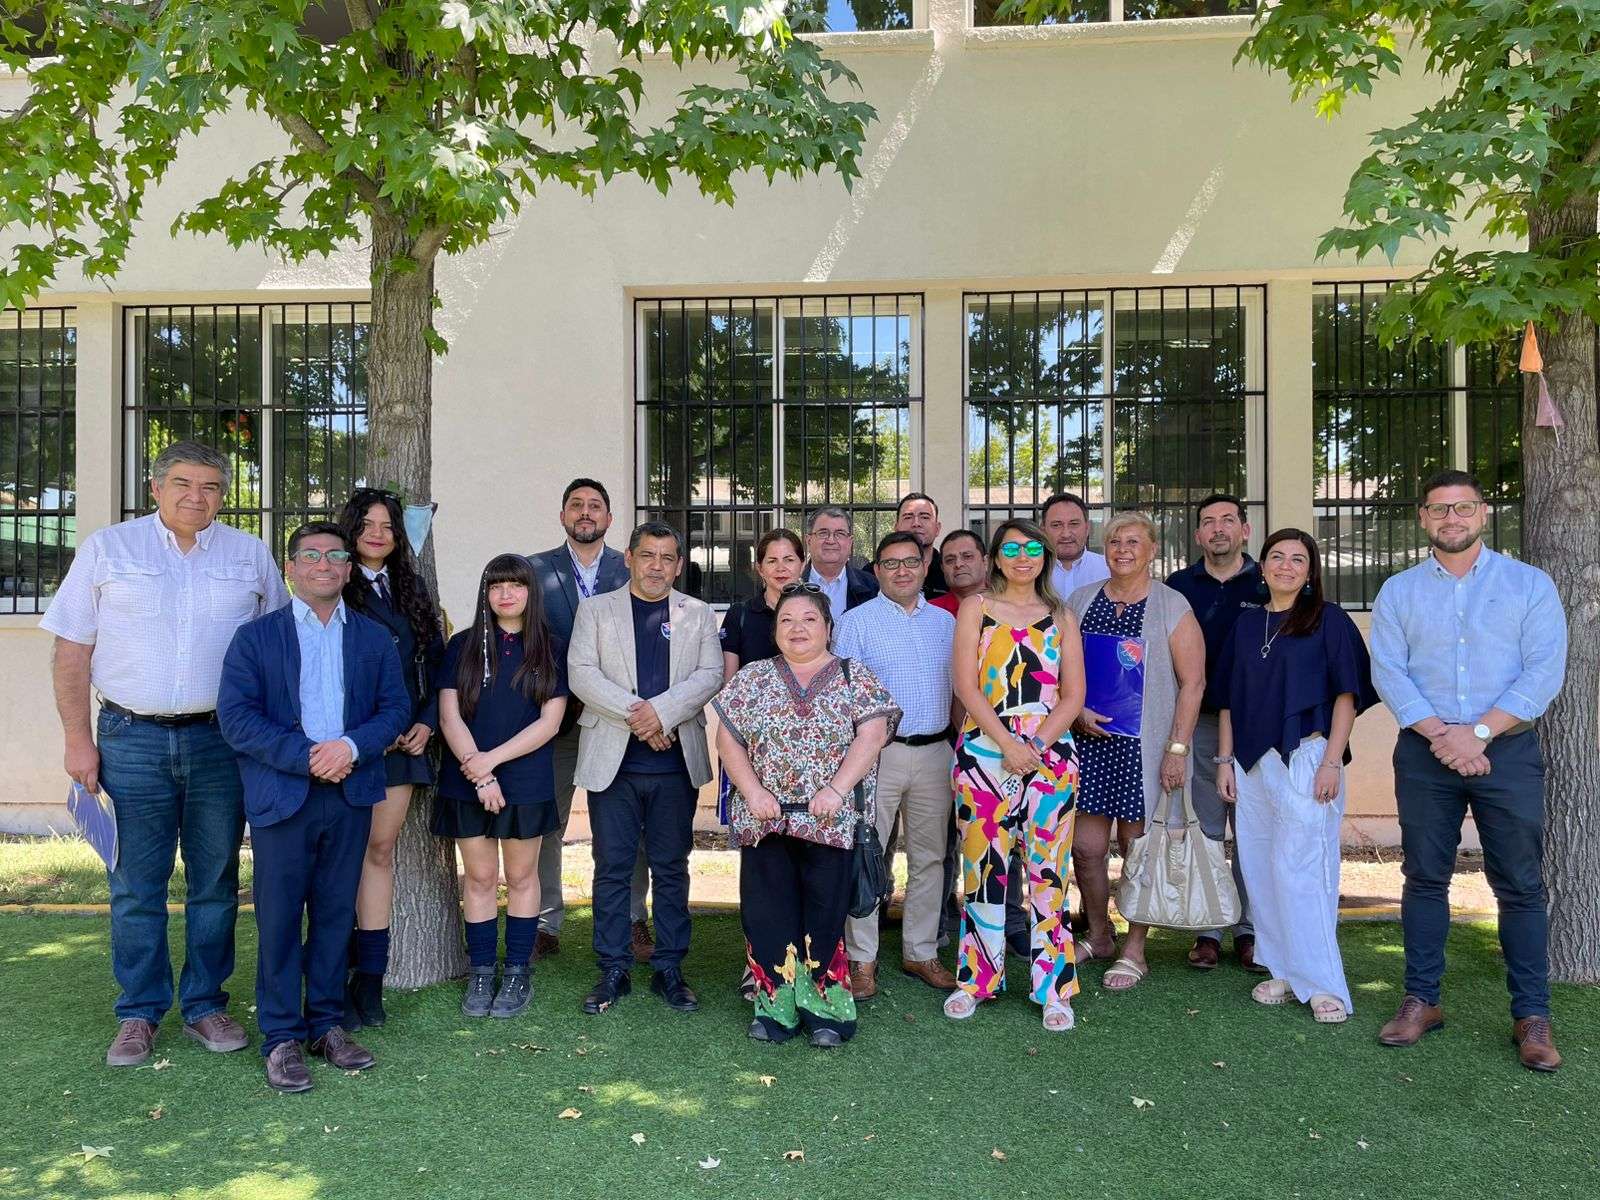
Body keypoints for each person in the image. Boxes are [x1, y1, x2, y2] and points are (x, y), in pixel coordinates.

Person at [42, 441, 288, 1068]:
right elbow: (71, 649)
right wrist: (77, 739)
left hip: (221, 741)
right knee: (134, 886)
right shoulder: (108, 549)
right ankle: (139, 1013)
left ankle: (205, 1005)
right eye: (182, 483)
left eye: (209, 487)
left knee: (216, 882)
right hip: (129, 739)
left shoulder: (249, 555)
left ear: (224, 495)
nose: (195, 497)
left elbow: (277, 646)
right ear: (155, 488)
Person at [1369, 470, 1568, 1071]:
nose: (1450, 519)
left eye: (1462, 508)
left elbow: (1542, 672)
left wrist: (1475, 733)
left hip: (1505, 750)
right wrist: (1441, 735)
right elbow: (1390, 671)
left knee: (1519, 885)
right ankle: (1421, 1000)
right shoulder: (1400, 591)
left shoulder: (1528, 584)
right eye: (1438, 510)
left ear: (1482, 513)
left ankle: (1531, 1016)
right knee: (1425, 877)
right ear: (1423, 519)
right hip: (1425, 752)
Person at [217, 522, 410, 1093]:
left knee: (333, 915)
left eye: (335, 555)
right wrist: (308, 757)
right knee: (278, 918)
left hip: (350, 793)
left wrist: (349, 747)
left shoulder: (374, 639)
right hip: (284, 794)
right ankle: (281, 1036)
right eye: (311, 555)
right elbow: (238, 718)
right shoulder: (256, 638)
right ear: (292, 568)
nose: (324, 564)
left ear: (349, 568)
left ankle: (326, 1024)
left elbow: (395, 708)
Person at [713, 586, 899, 1046]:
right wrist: (752, 792)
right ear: (775, 630)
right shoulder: (753, 678)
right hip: (766, 821)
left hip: (830, 824)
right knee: (768, 915)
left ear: (829, 628)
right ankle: (774, 1009)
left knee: (824, 916)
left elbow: (872, 736)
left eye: (809, 619)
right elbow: (727, 740)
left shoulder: (855, 677)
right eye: (787, 620)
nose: (798, 628)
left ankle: (827, 1013)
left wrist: (836, 790)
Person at [1215, 529, 1377, 1025]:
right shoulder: (1245, 626)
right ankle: (1281, 968)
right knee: (1261, 868)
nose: (1286, 566)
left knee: (1303, 869)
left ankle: (1324, 984)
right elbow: (1226, 698)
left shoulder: (1328, 621)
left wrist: (1332, 759)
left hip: (1308, 758)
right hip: (1250, 762)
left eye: (1298, 560)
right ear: (1261, 567)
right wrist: (1224, 761)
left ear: (1310, 573)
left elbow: (1347, 695)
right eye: (1277, 557)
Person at [567, 520, 724, 1015]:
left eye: (667, 557)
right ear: (630, 558)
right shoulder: (595, 610)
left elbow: (710, 674)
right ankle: (613, 968)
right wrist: (642, 715)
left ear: (679, 565)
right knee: (611, 868)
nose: (657, 566)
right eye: (648, 555)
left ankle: (670, 967)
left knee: (672, 868)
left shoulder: (697, 614)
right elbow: (581, 673)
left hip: (674, 764)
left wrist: (664, 712)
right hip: (613, 763)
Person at [947, 519, 1086, 1031]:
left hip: (1051, 755)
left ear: (1044, 556)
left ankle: (1054, 988)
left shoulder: (1062, 616)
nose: (1023, 557)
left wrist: (1034, 746)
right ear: (996, 557)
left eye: (1033, 548)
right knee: (983, 870)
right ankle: (977, 981)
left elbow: (1073, 696)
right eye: (1012, 548)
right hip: (985, 752)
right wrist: (1007, 744)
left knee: (1049, 873)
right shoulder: (975, 609)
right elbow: (965, 684)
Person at [1068, 511, 1204, 992]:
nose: (1121, 550)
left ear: (1151, 550)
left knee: (1137, 849)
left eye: (1132, 542)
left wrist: (1177, 748)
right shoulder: (1081, 600)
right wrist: (1076, 708)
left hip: (1143, 749)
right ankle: (1100, 936)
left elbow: (1193, 683)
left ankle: (1135, 948)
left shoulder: (1172, 604)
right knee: (1085, 849)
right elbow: (1063, 670)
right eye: (1113, 542)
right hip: (1088, 743)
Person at [436, 554, 568, 1019]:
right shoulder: (462, 645)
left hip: (524, 778)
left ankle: (516, 972)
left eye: (515, 585)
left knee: (522, 877)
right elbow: (449, 715)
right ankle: (482, 972)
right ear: (485, 593)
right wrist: (479, 771)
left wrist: (491, 763)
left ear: (531, 592)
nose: (505, 594)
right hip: (466, 777)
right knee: (479, 878)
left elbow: (550, 723)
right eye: (496, 586)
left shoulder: (550, 647)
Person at [336, 487, 447, 1028]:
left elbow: (435, 664)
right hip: (345, 745)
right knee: (339, 859)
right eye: (368, 524)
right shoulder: (333, 582)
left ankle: (370, 982)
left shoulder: (410, 588)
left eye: (388, 526)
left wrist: (426, 720)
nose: (378, 534)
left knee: (378, 852)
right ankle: (333, 975)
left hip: (403, 744)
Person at [529, 479, 652, 964]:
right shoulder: (536, 570)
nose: (586, 513)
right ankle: (544, 920)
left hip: (616, 717)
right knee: (548, 822)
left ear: (609, 518)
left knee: (625, 825)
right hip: (555, 720)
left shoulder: (633, 569)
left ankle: (632, 919)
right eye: (576, 505)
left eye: (595, 506)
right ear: (563, 516)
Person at [835, 532, 958, 999]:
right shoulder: (856, 623)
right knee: (866, 855)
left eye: (911, 561)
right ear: (877, 571)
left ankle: (920, 950)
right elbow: (843, 695)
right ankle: (862, 959)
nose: (902, 571)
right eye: (891, 564)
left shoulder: (946, 624)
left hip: (934, 752)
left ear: (926, 565)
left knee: (930, 858)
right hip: (876, 757)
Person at [1164, 492, 1265, 973]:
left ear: (1245, 529)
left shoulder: (1272, 580)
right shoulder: (1179, 587)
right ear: (1199, 534)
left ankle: (1248, 930)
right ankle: (1207, 928)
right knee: (1205, 828)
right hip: (1200, 722)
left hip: (1259, 726)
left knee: (1251, 831)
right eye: (1208, 522)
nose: (1218, 528)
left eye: (1228, 520)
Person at [720, 529, 803, 679]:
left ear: (802, 565)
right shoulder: (739, 614)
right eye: (772, 561)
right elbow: (729, 683)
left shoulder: (816, 613)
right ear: (760, 569)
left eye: (789, 560)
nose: (780, 568)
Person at [802, 507, 878, 616]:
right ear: (809, 541)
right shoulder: (792, 585)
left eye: (840, 534)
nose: (831, 541)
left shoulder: (871, 586)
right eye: (823, 533)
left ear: (850, 542)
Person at [1041, 492, 1110, 600]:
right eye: (1056, 525)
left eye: (1074, 524)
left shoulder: (1109, 569)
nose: (1066, 534)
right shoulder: (1031, 570)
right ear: (1043, 530)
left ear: (1087, 528)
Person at [895, 491, 948, 599]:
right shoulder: (874, 573)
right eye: (908, 517)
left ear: (937, 528)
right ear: (896, 528)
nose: (916, 523)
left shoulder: (950, 571)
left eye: (924, 517)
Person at [931, 529, 986, 617]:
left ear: (985, 561)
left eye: (967, 556)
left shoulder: (1007, 603)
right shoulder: (931, 612)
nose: (958, 564)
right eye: (950, 560)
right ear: (942, 568)